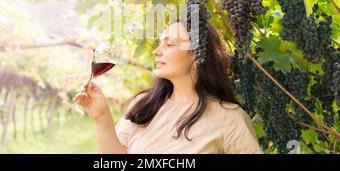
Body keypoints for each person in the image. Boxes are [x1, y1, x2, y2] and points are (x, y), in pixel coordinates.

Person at [73, 17, 263, 154]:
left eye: (169, 44)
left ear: (197, 54)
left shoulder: (229, 118)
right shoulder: (143, 105)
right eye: (159, 44)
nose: (157, 51)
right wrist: (102, 117)